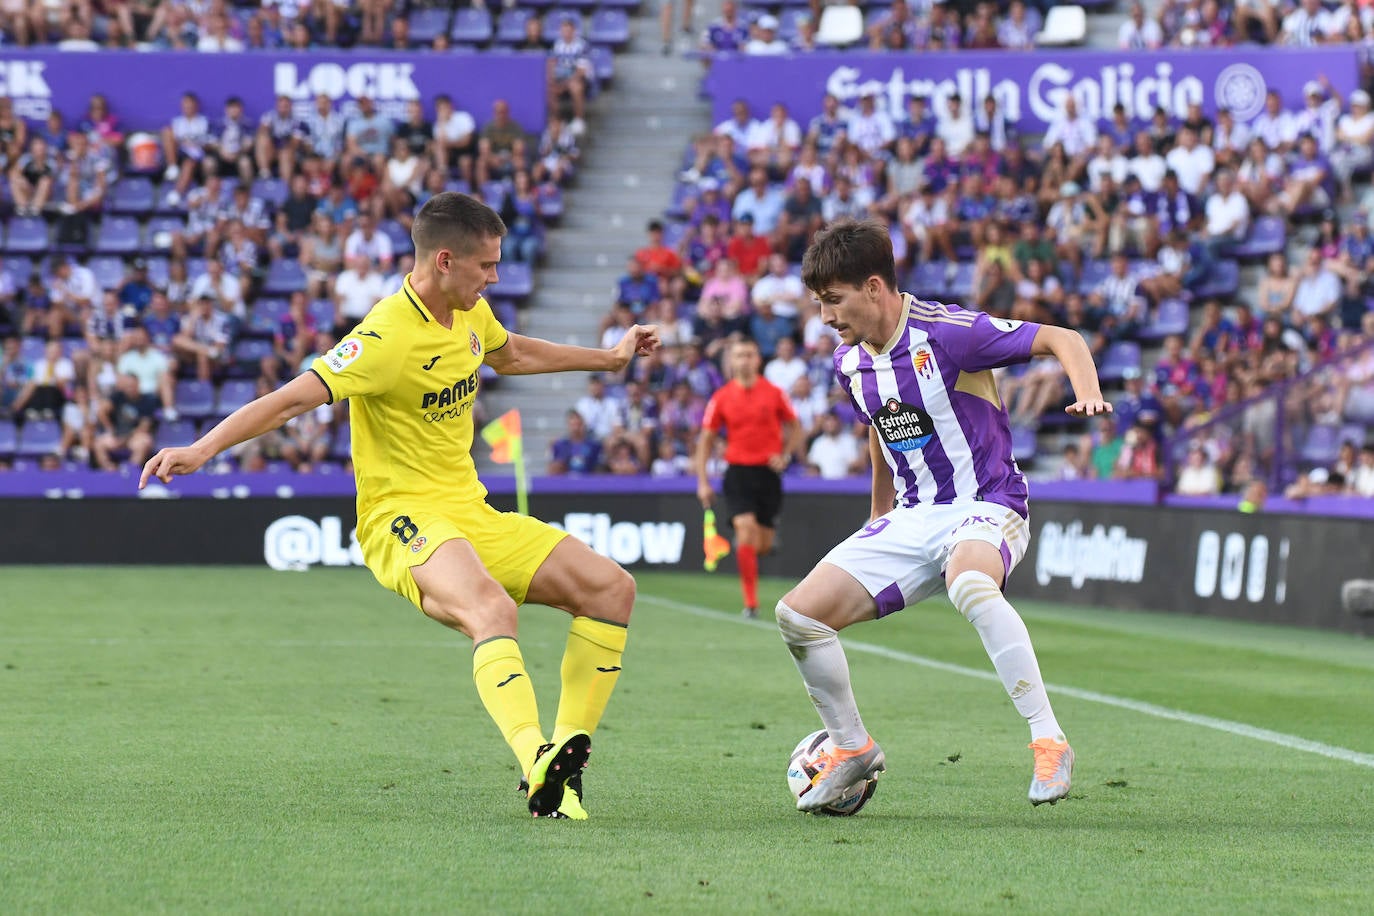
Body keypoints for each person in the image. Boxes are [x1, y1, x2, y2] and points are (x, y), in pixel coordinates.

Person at [139, 193, 662, 820]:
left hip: (471, 510)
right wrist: (203, 448)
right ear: (445, 261)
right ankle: (535, 761)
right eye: (485, 266)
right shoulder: (385, 335)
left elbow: (512, 353)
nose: (494, 277)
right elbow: (291, 399)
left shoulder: (469, 314)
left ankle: (563, 776)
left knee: (611, 589)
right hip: (402, 519)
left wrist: (607, 357)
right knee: (490, 609)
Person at [778, 219, 1111, 812]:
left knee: (970, 581)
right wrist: (877, 513)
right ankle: (852, 748)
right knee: (798, 616)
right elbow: (883, 431)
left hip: (986, 504)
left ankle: (1048, 739)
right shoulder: (850, 363)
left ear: (874, 287)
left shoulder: (951, 334)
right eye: (818, 304)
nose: (825, 318)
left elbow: (1063, 337)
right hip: (912, 517)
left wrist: (1086, 391)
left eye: (834, 301)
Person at [695, 337, 802, 619]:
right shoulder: (721, 397)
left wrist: (786, 454)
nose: (744, 360)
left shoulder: (775, 393)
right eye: (739, 355)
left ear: (758, 360)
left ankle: (759, 537)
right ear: (732, 361)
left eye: (749, 354)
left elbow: (795, 426)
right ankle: (751, 603)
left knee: (762, 545)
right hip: (738, 472)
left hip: (768, 473)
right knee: (745, 529)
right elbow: (705, 440)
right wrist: (703, 482)